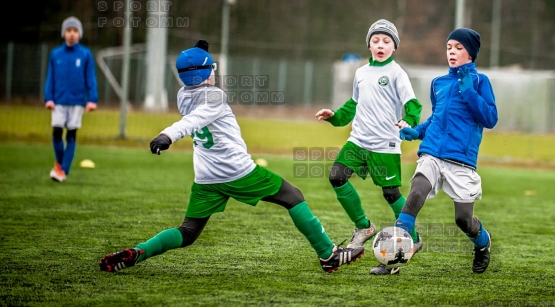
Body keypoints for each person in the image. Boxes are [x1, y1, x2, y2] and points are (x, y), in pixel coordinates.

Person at [99, 40, 364, 274]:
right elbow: (194, 119)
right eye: (211, 68)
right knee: (293, 196)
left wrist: (198, 54)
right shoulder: (215, 96)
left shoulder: (182, 95)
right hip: (237, 171)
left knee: (188, 232)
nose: (215, 72)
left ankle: (139, 252)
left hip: (206, 177)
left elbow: (193, 95)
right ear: (206, 73)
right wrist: (167, 135)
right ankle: (329, 255)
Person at [315, 19, 423, 275]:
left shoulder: (397, 73)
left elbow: (413, 105)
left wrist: (408, 120)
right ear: (369, 45)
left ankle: (414, 238)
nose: (380, 45)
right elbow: (353, 105)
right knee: (337, 177)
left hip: (385, 144)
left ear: (394, 47)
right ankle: (363, 227)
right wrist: (334, 117)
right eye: (376, 40)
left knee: (391, 194)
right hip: (358, 141)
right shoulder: (361, 73)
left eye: (386, 41)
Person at [396, 27, 498, 273]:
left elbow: (490, 118)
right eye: (449, 48)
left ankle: (483, 244)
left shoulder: (480, 82)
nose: (452, 52)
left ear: (470, 53)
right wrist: (417, 132)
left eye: (458, 48)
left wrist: (469, 90)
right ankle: (395, 254)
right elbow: (436, 119)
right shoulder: (438, 83)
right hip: (431, 153)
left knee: (463, 220)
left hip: (461, 161)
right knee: (416, 193)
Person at [44, 16, 98, 182]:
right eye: (69, 30)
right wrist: (49, 98)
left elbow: (90, 78)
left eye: (75, 31)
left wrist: (92, 99)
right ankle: (60, 165)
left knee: (71, 136)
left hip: (77, 102)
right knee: (57, 133)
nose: (72, 34)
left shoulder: (85, 54)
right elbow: (50, 78)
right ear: (64, 33)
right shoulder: (56, 54)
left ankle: (63, 171)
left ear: (79, 34)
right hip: (58, 102)